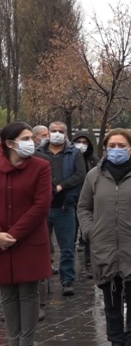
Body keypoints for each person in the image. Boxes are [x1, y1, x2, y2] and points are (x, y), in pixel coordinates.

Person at [77, 128, 131, 346]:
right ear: (106, 149)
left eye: (121, 145)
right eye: (111, 146)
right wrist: (91, 231)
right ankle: (116, 340)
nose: (116, 150)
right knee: (110, 301)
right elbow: (83, 207)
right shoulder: (94, 175)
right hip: (104, 244)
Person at [0, 122, 53, 346]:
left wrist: (12, 235)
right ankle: (13, 341)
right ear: (10, 143)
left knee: (29, 293)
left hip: (29, 240)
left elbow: (41, 205)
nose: (31, 142)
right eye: (25, 138)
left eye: (32, 137)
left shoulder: (41, 166)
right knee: (7, 295)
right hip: (1, 243)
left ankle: (26, 342)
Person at [37, 121, 86, 297]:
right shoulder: (38, 153)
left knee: (67, 247)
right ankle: (43, 279)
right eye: (54, 131)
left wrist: (62, 186)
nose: (57, 133)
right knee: (42, 246)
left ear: (65, 134)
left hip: (65, 206)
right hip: (43, 207)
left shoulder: (75, 153)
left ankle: (67, 280)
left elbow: (80, 174)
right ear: (48, 133)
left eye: (60, 131)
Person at [72, 131, 99, 279]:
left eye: (85, 142)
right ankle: (68, 271)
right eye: (78, 141)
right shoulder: (69, 159)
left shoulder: (94, 161)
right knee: (71, 237)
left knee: (89, 234)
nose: (81, 145)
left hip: (90, 203)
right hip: (71, 202)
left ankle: (89, 265)